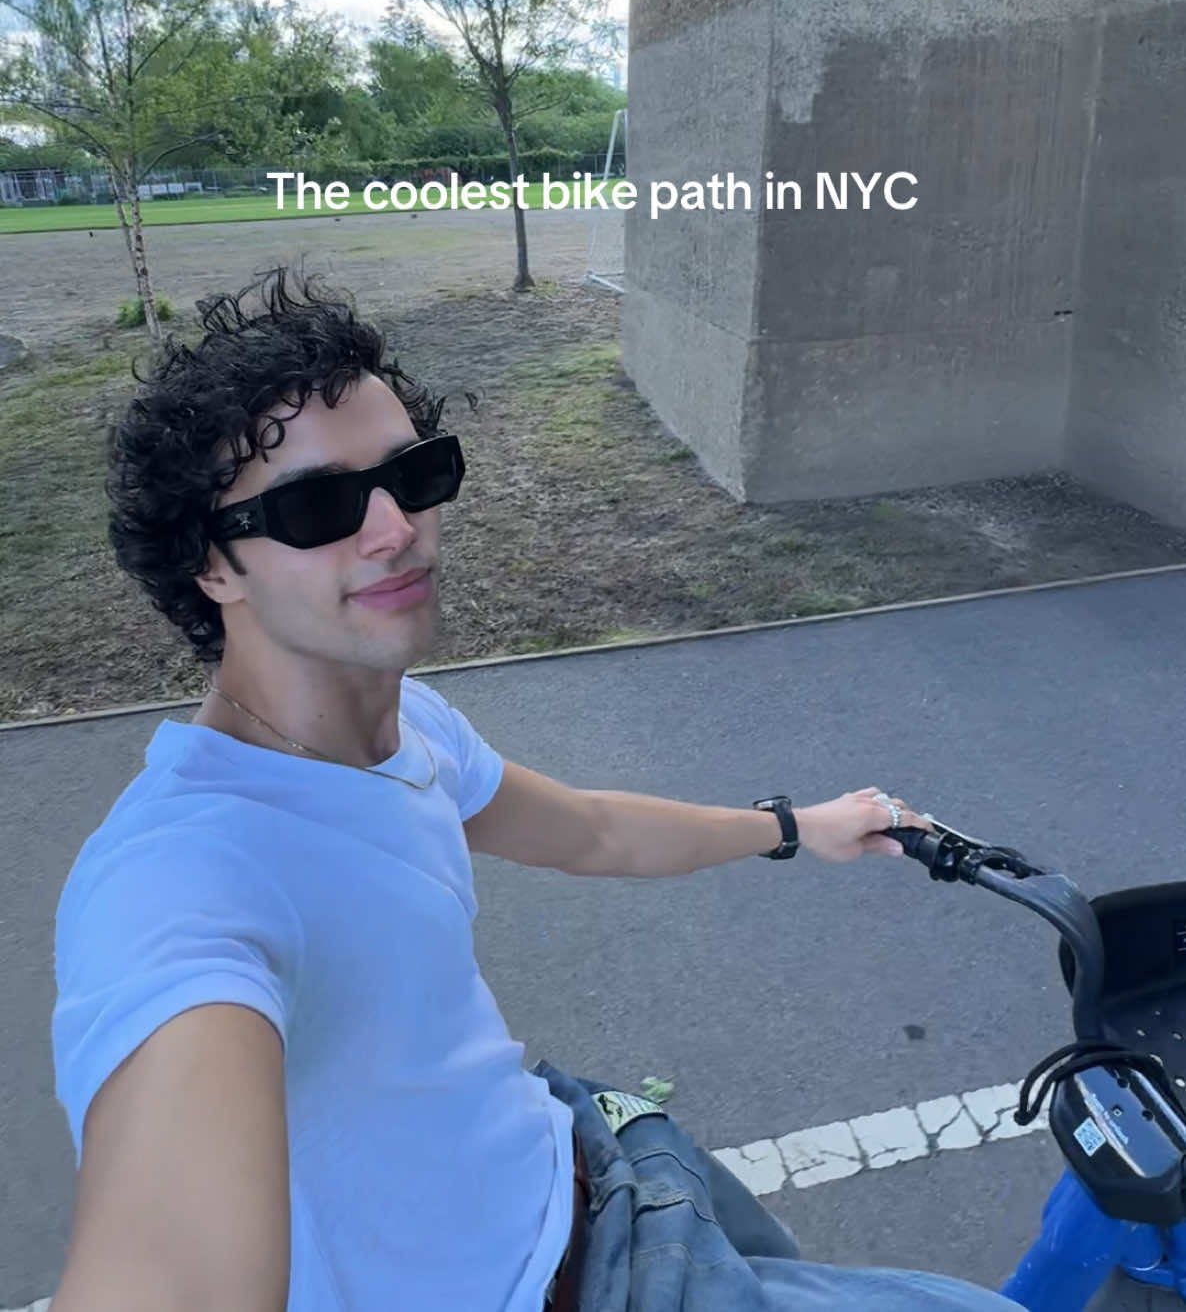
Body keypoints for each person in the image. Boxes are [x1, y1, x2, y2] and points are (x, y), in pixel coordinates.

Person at [50, 267, 1019, 1312]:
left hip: (596, 1160)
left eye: (413, 475)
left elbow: (590, 831)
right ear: (211, 567)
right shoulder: (181, 876)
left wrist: (794, 826)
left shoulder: (411, 726)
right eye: (317, 505)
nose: (394, 529)